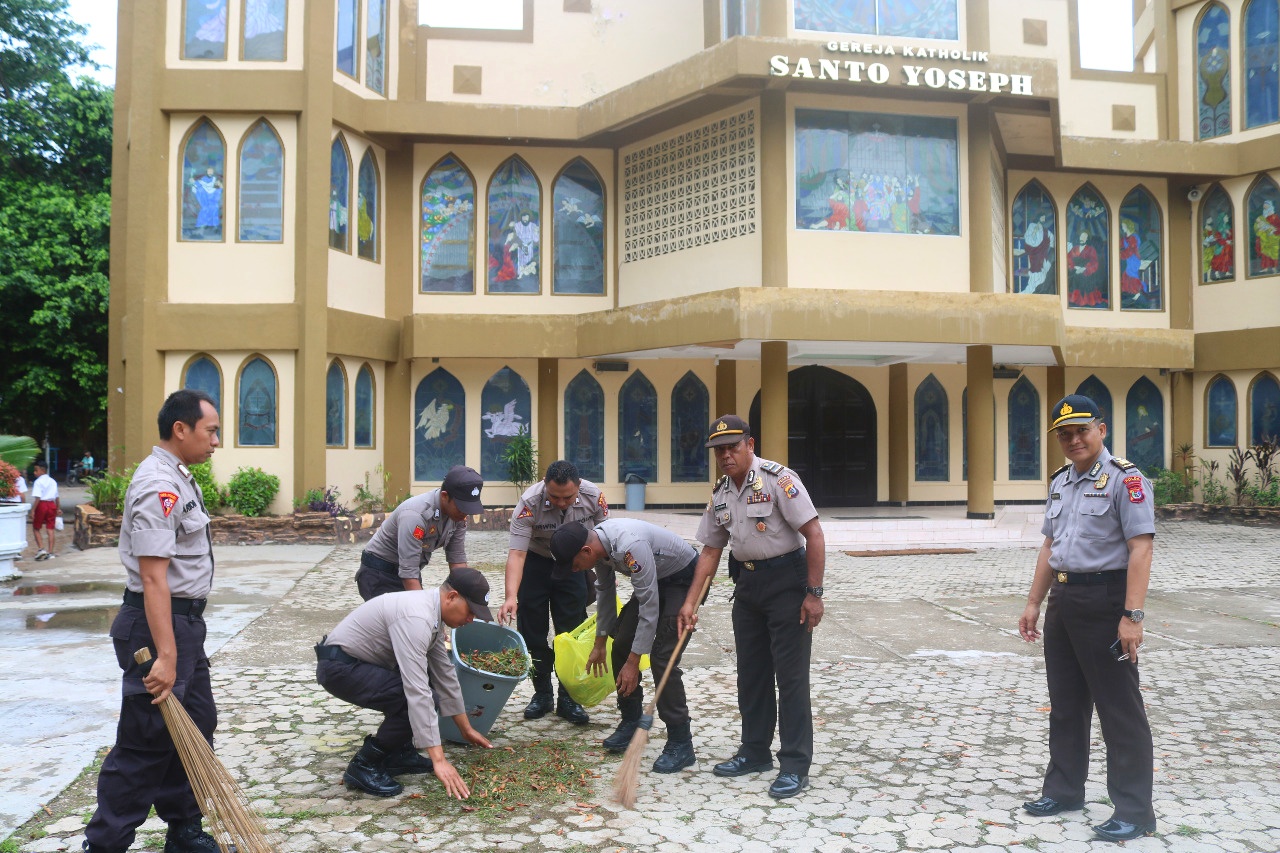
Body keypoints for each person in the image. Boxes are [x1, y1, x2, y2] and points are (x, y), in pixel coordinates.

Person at [82, 389, 223, 853]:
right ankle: (104, 844)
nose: (216, 441)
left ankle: (183, 829)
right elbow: (153, 576)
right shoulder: (157, 486)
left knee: (196, 723)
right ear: (180, 429)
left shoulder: (179, 478)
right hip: (155, 626)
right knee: (146, 741)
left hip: (182, 626)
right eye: (211, 431)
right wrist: (166, 654)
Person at [1018, 394, 1157, 843]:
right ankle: (1063, 791)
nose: (1073, 439)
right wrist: (1035, 602)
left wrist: (1132, 616)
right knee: (1066, 703)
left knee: (1119, 709)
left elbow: (1141, 548)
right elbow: (1049, 546)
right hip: (1064, 599)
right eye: (1065, 433)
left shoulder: (1126, 481)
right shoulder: (1061, 482)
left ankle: (1135, 811)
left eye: (1082, 430)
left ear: (1101, 430)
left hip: (1106, 602)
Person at [677, 415, 826, 800]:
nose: (726, 455)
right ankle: (755, 752)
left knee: (790, 678)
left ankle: (794, 765)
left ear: (750, 444)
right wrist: (690, 602)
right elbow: (710, 551)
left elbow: (814, 533)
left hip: (787, 583)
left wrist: (814, 593)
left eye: (733, 446)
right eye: (719, 450)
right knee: (752, 674)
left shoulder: (779, 480)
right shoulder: (721, 493)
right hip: (747, 586)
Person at [315, 567, 495, 799]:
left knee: (429, 693)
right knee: (414, 698)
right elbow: (417, 691)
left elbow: (445, 675)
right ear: (451, 597)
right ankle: (363, 765)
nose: (470, 620)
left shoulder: (432, 615)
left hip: (358, 664)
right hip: (341, 668)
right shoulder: (417, 618)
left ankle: (399, 753)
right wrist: (439, 760)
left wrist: (466, 729)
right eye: (470, 611)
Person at [549, 518, 702, 773]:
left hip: (682, 580)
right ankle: (630, 721)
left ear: (586, 551)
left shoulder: (630, 546)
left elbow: (649, 607)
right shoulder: (599, 547)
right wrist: (599, 643)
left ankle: (680, 742)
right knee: (619, 643)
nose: (575, 570)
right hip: (655, 581)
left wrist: (634, 663)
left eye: (575, 565)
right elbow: (606, 593)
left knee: (663, 657)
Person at [497, 460, 607, 725]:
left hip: (573, 564)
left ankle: (569, 698)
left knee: (571, 632)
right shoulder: (529, 502)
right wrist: (511, 596)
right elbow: (518, 552)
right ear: (545, 486)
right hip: (536, 562)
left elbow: (606, 539)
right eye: (554, 496)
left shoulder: (594, 497)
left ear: (579, 487)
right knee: (532, 630)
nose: (561, 502)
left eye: (567, 497)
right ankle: (542, 693)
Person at [353, 465, 483, 601]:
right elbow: (408, 573)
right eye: (462, 508)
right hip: (379, 574)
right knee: (407, 618)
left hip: (409, 571)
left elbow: (457, 559)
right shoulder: (415, 515)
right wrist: (425, 610)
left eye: (469, 508)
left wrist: (465, 598)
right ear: (445, 496)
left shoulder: (458, 516)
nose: (465, 514)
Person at [29, 461, 59, 561]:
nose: (34, 472)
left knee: (36, 527)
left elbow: (37, 498)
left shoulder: (38, 482)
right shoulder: (53, 481)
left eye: (36, 470)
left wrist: (33, 510)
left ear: (42, 470)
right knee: (50, 529)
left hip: (42, 504)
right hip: (51, 504)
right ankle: (51, 552)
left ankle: (41, 548)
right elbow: (57, 497)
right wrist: (58, 508)